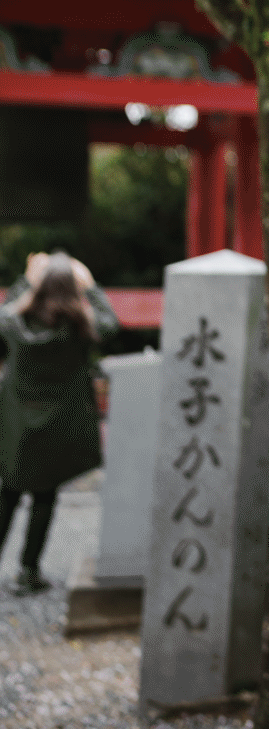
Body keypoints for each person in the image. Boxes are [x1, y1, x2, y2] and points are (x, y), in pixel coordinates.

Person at [0, 251, 119, 594]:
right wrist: (91, 286)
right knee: (44, 494)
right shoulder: (79, 329)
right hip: (57, 425)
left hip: (16, 423)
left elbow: (7, 309)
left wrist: (27, 278)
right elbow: (110, 323)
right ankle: (28, 571)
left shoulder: (14, 324)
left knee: (8, 493)